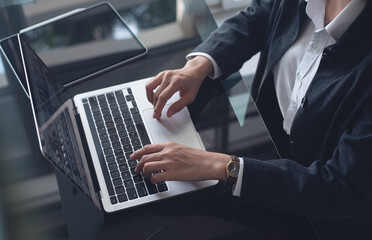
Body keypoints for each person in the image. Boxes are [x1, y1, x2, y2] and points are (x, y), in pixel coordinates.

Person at [130, 0, 372, 239]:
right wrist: (198, 65)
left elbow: (340, 188)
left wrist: (221, 165)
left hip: (319, 218)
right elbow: (259, 16)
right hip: (268, 149)